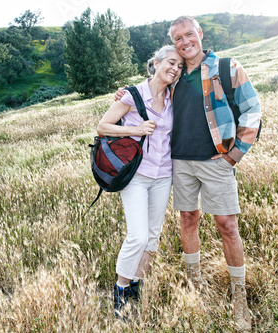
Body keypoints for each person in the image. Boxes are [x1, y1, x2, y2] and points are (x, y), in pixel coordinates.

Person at [115, 16, 261, 330]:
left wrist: (234, 156)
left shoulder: (226, 67)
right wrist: (123, 93)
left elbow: (252, 109)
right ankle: (194, 283)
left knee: (227, 225)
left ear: (200, 34)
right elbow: (148, 91)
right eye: (178, 38)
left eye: (188, 35)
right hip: (178, 162)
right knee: (188, 219)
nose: (184, 42)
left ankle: (239, 299)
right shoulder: (176, 73)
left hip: (217, 161)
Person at [97, 45, 184, 319]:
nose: (175, 69)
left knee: (153, 236)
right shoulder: (133, 94)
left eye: (180, 66)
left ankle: (136, 283)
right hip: (136, 175)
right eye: (171, 62)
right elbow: (102, 126)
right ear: (156, 63)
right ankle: (120, 289)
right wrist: (135, 129)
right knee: (138, 235)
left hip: (163, 175)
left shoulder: (174, 96)